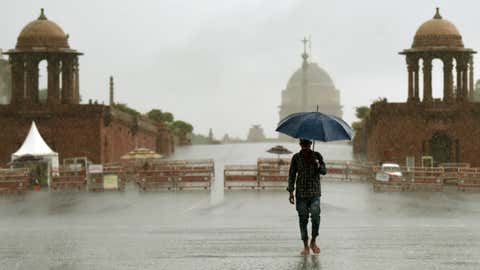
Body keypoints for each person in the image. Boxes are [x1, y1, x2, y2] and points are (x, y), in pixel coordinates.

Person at [287, 138, 327, 255]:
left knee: (315, 215)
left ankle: (313, 241)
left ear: (310, 144)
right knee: (303, 219)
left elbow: (324, 171)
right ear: (300, 145)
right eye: (303, 144)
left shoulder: (317, 156)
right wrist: (290, 191)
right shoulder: (296, 158)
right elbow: (292, 175)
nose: (305, 147)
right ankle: (305, 245)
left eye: (307, 144)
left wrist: (318, 164)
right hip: (301, 194)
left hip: (314, 193)